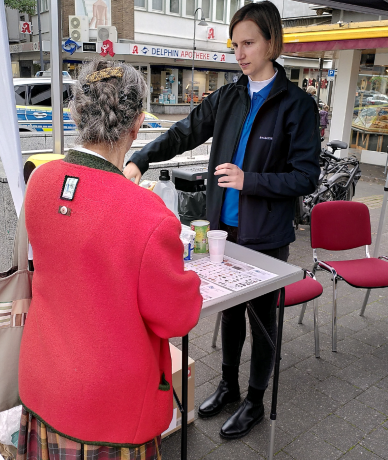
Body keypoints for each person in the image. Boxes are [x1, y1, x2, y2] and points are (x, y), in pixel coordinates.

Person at [125, 2, 320, 439]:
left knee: (261, 320)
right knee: (229, 315)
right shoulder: (229, 96)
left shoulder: (297, 105)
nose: (240, 53)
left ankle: (255, 398)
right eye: (235, 45)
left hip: (265, 234)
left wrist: (250, 180)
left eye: (249, 43)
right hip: (222, 231)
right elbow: (183, 132)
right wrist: (140, 158)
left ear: (272, 42)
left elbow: (306, 176)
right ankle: (229, 385)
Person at [17, 60, 202, 459]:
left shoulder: (40, 181)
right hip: (108, 408)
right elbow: (177, 317)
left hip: (41, 375)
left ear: (77, 113)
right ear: (136, 125)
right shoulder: (149, 214)